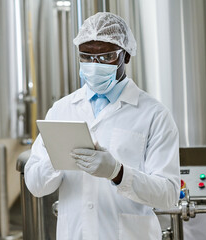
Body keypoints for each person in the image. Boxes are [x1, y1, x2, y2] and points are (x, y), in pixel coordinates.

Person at [25, 12, 180, 240]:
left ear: (125, 56)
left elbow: (168, 195)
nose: (94, 65)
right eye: (86, 57)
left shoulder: (154, 114)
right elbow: (35, 185)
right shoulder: (62, 109)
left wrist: (118, 173)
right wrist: (57, 158)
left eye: (106, 56)